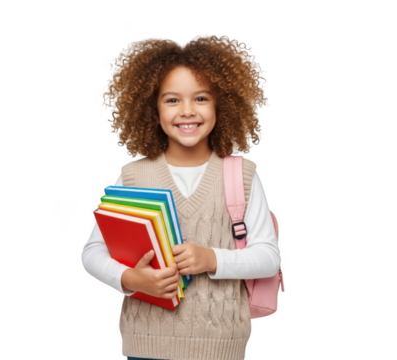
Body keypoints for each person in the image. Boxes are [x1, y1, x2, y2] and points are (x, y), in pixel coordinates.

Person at [81, 33, 281, 360]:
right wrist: (130, 278)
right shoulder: (133, 177)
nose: (187, 111)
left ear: (222, 103)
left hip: (221, 349)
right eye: (172, 100)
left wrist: (211, 259)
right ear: (152, 107)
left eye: (201, 98)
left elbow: (269, 257)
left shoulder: (242, 175)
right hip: (144, 345)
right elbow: (92, 252)